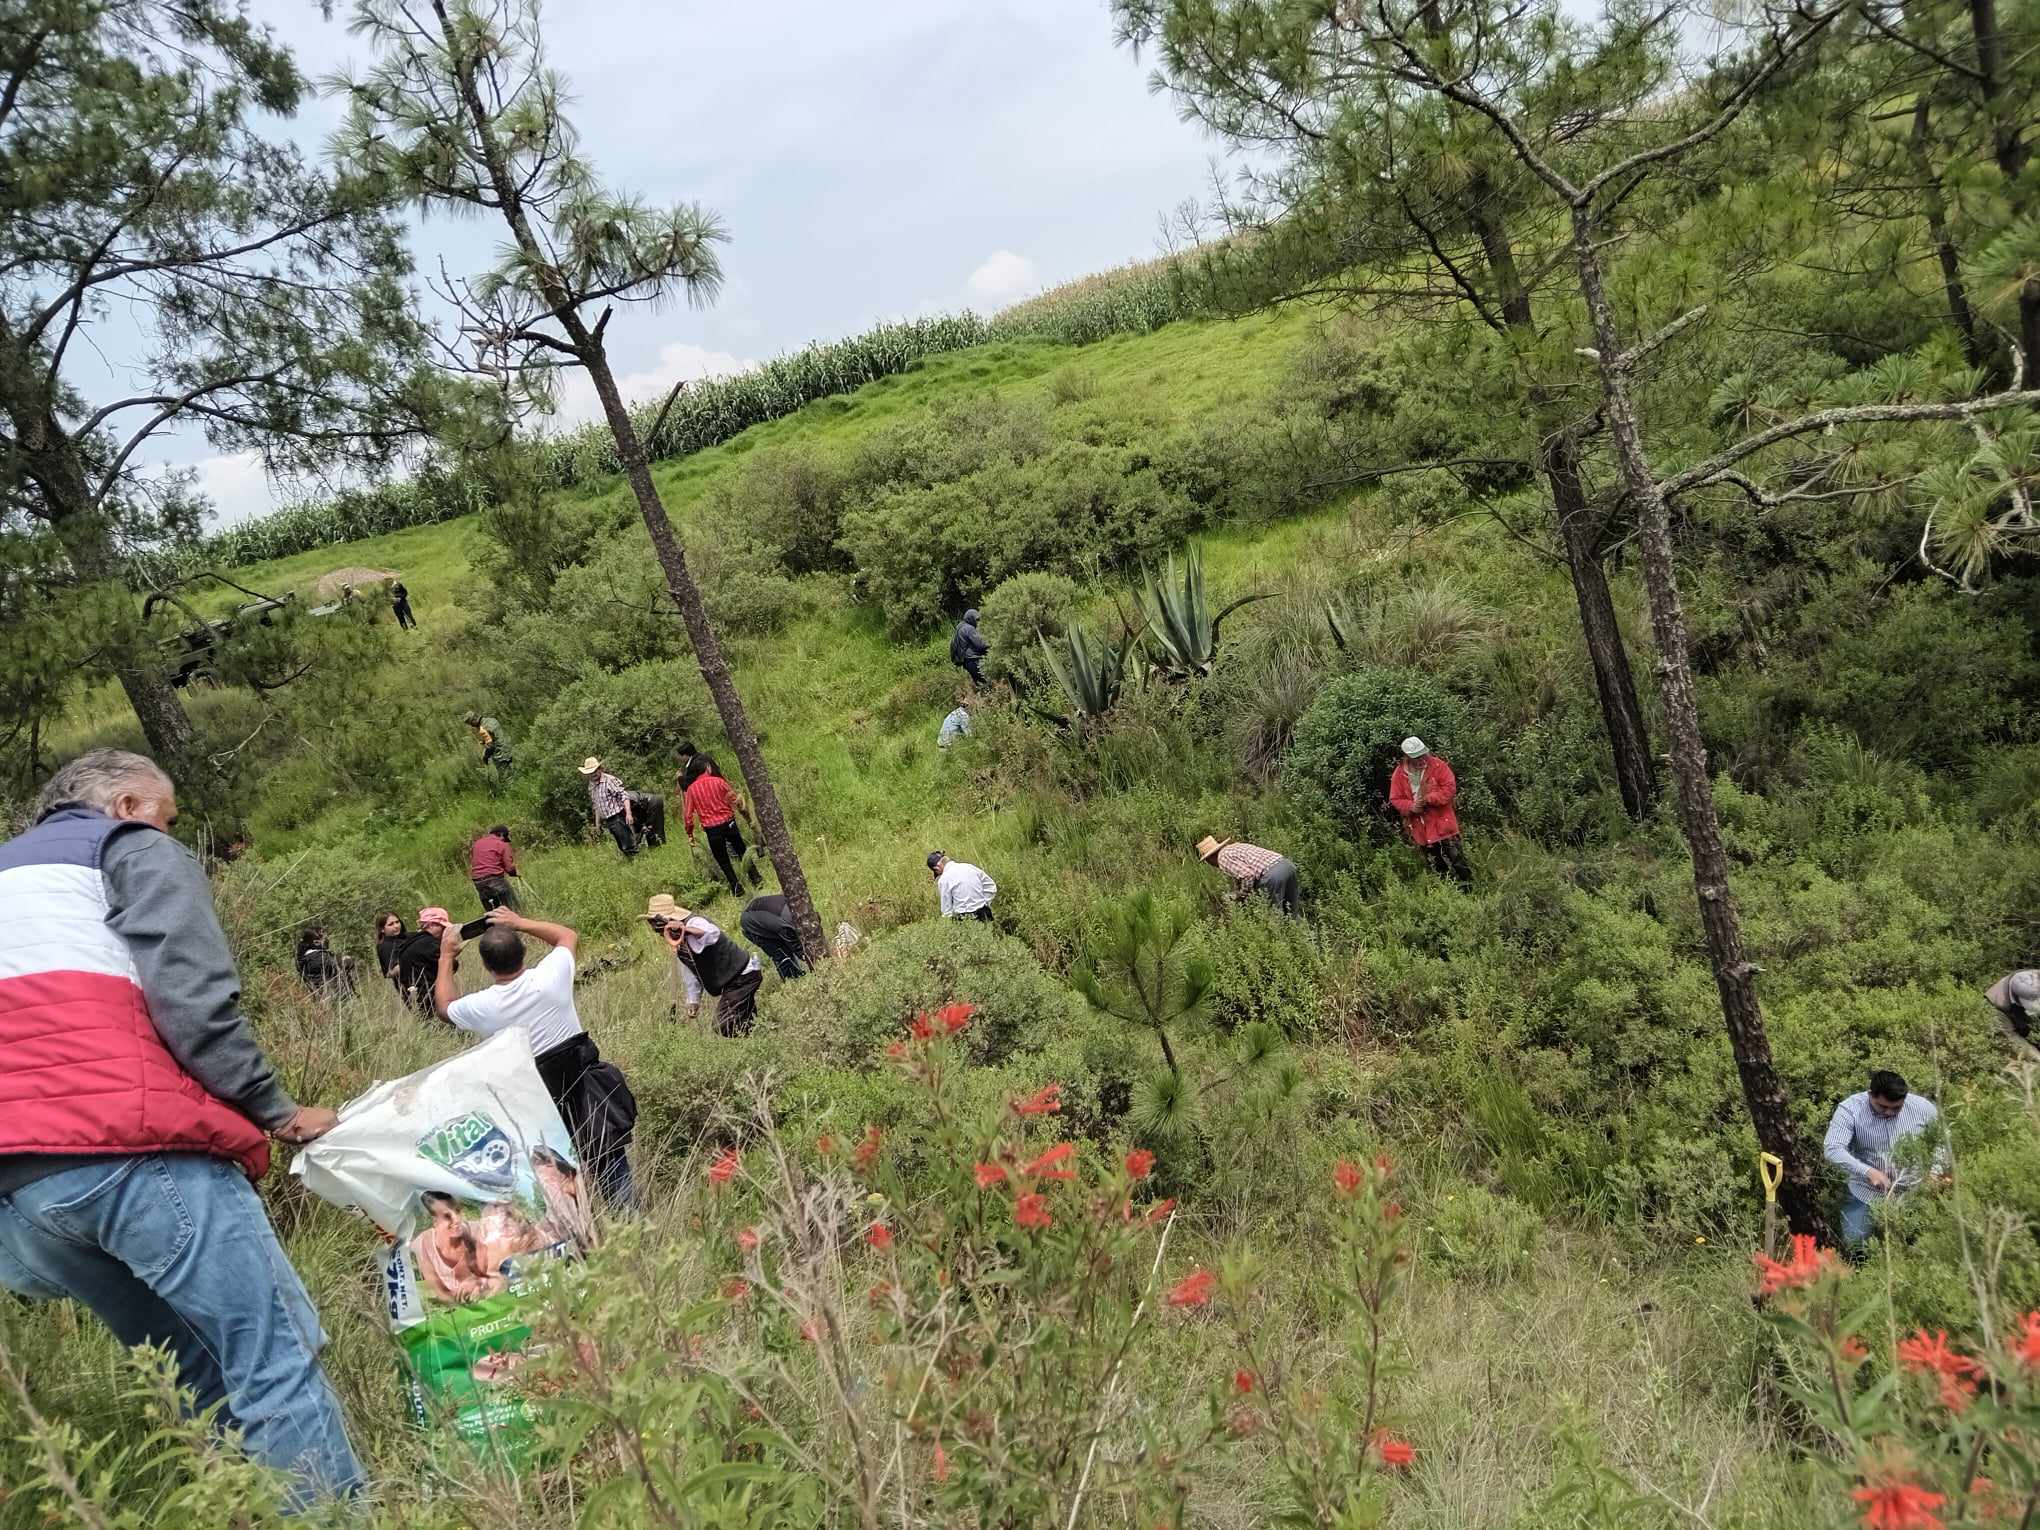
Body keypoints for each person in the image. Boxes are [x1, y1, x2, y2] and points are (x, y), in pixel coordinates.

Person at [0, 750, 361, 1508]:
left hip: (24, 1194)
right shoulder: (124, 847)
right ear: (129, 804)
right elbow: (192, 996)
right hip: (132, 1149)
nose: (170, 833)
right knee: (272, 1357)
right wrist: (275, 1109)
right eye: (168, 819)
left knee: (191, 1371)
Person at [433, 908, 637, 1210]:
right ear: (524, 952)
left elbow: (444, 1006)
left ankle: (577, 1237)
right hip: (584, 1091)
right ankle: (631, 1223)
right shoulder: (550, 979)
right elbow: (566, 935)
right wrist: (519, 922)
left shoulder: (484, 1006)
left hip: (535, 1105)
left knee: (557, 1184)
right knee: (609, 1165)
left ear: (487, 966)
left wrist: (446, 956)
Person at [1824, 1069, 1951, 1247]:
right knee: (1856, 1247)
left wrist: (1935, 1173)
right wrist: (1868, 1172)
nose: (1889, 1112)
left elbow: (1942, 1140)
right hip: (1865, 1194)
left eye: (1896, 1108)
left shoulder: (1923, 1108)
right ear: (1870, 1095)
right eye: (1882, 1107)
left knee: (1917, 1248)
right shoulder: (1850, 1109)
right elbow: (1833, 1149)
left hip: (1914, 1194)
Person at [643, 893, 765, 1037]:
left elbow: (712, 933)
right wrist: (693, 1001)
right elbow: (692, 974)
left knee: (723, 1024)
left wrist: (684, 929)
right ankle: (760, 1040)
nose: (659, 933)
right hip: (732, 983)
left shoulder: (694, 922)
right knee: (746, 1022)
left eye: (658, 928)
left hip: (743, 976)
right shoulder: (680, 945)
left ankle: (753, 1044)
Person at [1389, 736, 1471, 884]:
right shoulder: (1399, 775)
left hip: (1443, 824)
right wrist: (1411, 807)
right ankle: (1451, 894)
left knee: (1457, 859)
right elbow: (1395, 799)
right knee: (1437, 866)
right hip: (1420, 828)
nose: (1421, 759)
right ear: (1407, 757)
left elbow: (1449, 789)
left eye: (1422, 755)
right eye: (1416, 757)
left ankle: (1470, 889)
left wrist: (1429, 798)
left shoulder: (1438, 766)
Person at [683, 757, 760, 896]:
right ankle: (756, 879)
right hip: (729, 823)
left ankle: (736, 888)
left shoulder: (691, 790)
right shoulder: (719, 782)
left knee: (723, 860)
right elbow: (735, 800)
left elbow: (688, 816)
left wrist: (689, 833)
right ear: (707, 768)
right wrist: (744, 813)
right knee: (742, 851)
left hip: (712, 830)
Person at [410, 1191, 504, 1305]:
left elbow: (492, 1274)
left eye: (457, 1211)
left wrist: (477, 1281)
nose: (456, 1219)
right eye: (446, 1216)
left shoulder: (477, 1231)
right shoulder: (423, 1244)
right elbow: (441, 1292)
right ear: (434, 1221)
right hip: (458, 1305)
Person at [1195, 834, 1302, 916]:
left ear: (1209, 859)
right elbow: (1244, 875)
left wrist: (1242, 895)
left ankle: (1278, 942)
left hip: (1273, 875)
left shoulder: (1222, 857)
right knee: (1292, 913)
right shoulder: (1235, 847)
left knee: (1272, 916)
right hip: (1287, 866)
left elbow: (1248, 876)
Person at [530, 1146, 597, 1255]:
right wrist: (535, 1231)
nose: (543, 1180)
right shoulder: (554, 1195)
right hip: (592, 1254)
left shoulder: (588, 1178)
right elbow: (553, 1220)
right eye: (539, 1176)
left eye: (542, 1170)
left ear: (553, 1164)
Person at [393, 907, 455, 1016]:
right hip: (433, 998)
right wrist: (451, 951)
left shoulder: (411, 942)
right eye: (442, 926)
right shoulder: (429, 944)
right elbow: (452, 966)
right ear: (431, 925)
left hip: (419, 999)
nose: (444, 930)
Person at [740, 892, 809, 980]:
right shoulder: (786, 925)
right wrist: (812, 960)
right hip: (752, 925)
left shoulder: (802, 907)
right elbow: (798, 948)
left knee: (788, 947)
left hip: (767, 915)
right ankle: (792, 981)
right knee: (782, 954)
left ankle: (797, 975)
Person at [580, 757, 638, 857]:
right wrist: (597, 825)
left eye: (594, 771)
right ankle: (630, 862)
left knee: (628, 845)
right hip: (608, 820)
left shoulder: (609, 780)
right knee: (621, 845)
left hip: (618, 816)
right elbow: (596, 805)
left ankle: (636, 862)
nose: (593, 774)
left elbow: (624, 796)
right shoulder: (591, 785)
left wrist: (628, 814)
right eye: (590, 772)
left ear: (600, 769)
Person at [928, 849, 996, 922]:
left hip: (964, 918)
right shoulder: (969, 867)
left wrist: (948, 926)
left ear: (936, 868)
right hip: (984, 913)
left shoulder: (944, 879)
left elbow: (947, 911)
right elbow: (991, 886)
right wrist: (984, 904)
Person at [469, 824, 521, 912]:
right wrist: (515, 873)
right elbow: (509, 868)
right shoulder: (501, 844)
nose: (504, 841)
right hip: (495, 880)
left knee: (493, 914)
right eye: (504, 838)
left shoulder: (477, 844)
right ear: (501, 834)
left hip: (478, 882)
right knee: (513, 909)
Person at [294, 927, 355, 1001]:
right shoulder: (319, 957)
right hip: (332, 1000)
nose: (327, 941)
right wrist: (347, 959)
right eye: (325, 939)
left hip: (318, 1001)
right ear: (316, 942)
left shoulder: (304, 958)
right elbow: (346, 964)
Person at [1985, 969, 2040, 1047]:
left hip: (2015, 1005)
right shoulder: (2023, 979)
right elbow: (2028, 993)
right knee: (2017, 1032)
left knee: (2025, 1028)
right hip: (1997, 1005)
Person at [464, 711, 512, 777]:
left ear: (474, 720)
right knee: (513, 773)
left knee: (506, 779)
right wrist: (484, 741)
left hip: (500, 756)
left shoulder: (482, 729)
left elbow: (491, 746)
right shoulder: (491, 720)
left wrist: (485, 757)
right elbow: (495, 735)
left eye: (471, 724)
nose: (472, 726)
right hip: (508, 750)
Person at [950, 608, 989, 686]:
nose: (978, 622)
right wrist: (993, 645)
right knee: (986, 682)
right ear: (970, 618)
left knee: (980, 684)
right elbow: (981, 645)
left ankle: (984, 696)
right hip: (974, 659)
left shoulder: (960, 626)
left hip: (966, 661)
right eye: (976, 619)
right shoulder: (969, 628)